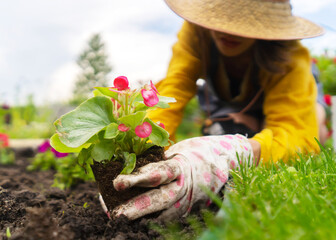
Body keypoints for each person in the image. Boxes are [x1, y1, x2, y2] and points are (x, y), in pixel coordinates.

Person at [105, 0, 326, 220]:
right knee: (222, 130)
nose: (227, 31)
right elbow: (176, 86)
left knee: (314, 126)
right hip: (232, 100)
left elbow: (295, 130)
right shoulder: (197, 33)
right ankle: (250, 125)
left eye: (244, 24)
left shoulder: (289, 54)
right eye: (221, 18)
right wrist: (149, 148)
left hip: (288, 98)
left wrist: (238, 151)